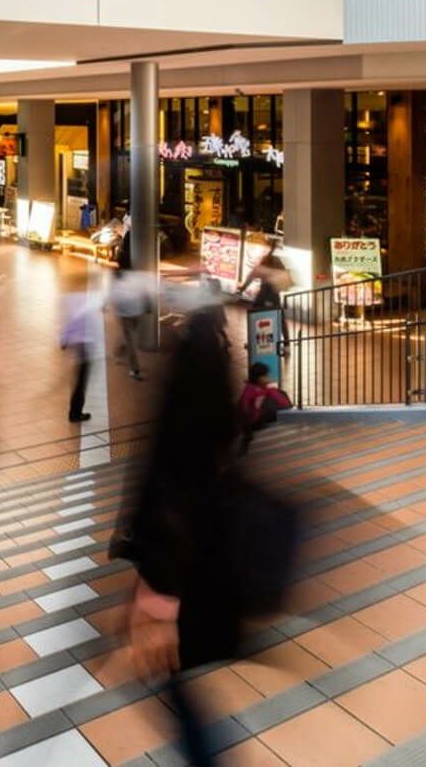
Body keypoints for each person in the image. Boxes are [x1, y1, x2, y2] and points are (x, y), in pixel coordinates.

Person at [110, 307, 243, 767]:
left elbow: (172, 481)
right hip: (198, 559)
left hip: (179, 570)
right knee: (176, 684)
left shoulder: (192, 365)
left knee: (171, 679)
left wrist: (158, 589)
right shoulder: (216, 362)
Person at [109, 269, 156, 380]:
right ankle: (133, 368)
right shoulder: (134, 279)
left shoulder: (116, 284)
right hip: (135, 312)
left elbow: (112, 297)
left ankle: (120, 353)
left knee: (129, 337)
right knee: (130, 339)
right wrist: (148, 305)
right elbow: (144, 292)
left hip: (127, 314)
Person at [61, 292, 101, 423]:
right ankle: (75, 414)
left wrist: (64, 340)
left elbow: (69, 326)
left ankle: (75, 412)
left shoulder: (77, 311)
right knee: (81, 383)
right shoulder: (88, 313)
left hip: (80, 348)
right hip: (85, 349)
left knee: (79, 381)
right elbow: (94, 332)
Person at [238, 362, 293, 454]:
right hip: (251, 421)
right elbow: (244, 407)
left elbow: (281, 400)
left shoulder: (262, 389)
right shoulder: (251, 390)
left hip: (257, 419)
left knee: (277, 393)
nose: (267, 378)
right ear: (257, 378)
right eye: (265, 376)